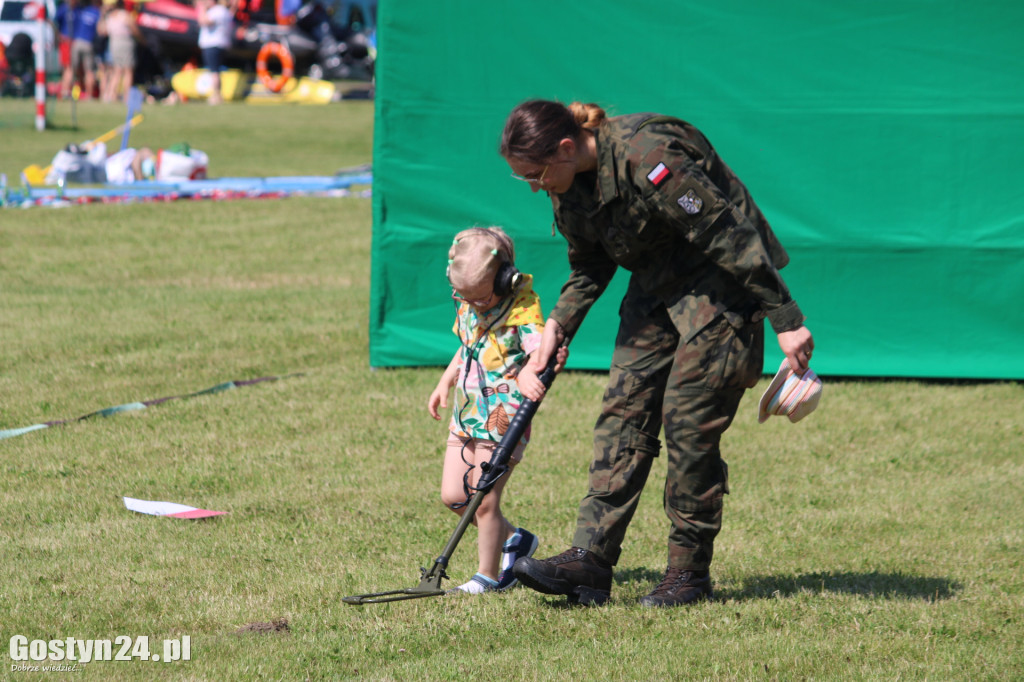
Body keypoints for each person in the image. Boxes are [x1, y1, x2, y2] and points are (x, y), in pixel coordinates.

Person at [500, 100, 816, 607]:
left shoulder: (646, 156)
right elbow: (589, 266)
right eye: (525, 179)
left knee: (688, 425)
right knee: (622, 415)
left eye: (535, 174)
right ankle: (590, 560)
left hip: (721, 287)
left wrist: (786, 318)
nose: (534, 186)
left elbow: (727, 233)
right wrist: (557, 326)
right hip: (656, 289)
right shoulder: (568, 183)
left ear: (565, 147)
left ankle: (687, 574)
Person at [426, 227, 546, 594]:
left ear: (505, 278)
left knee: (484, 499)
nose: (473, 305)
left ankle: (487, 577)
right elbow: (468, 345)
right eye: (465, 298)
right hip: (467, 414)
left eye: (479, 298)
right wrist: (445, 381)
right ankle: (515, 539)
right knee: (455, 497)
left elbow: (543, 351)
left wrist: (529, 370)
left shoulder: (522, 308)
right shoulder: (468, 300)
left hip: (503, 419)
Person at [98, 0, 141, 102]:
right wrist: (142, 40)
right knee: (128, 71)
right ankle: (126, 97)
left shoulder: (110, 17)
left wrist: (102, 15)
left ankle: (111, 96)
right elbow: (135, 30)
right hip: (125, 43)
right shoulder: (125, 15)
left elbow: (102, 31)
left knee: (116, 71)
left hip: (113, 43)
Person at [196, 0, 234, 105]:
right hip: (220, 44)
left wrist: (202, 8)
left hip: (213, 45)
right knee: (216, 71)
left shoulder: (217, 11)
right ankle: (217, 94)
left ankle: (216, 95)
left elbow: (203, 21)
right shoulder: (224, 11)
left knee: (214, 72)